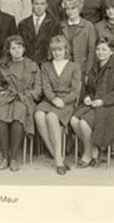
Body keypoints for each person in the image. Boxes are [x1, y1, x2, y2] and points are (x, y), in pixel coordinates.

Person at [70, 37, 114, 167]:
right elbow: (90, 87)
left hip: (112, 105)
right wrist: (87, 96)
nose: (100, 52)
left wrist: (103, 101)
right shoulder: (95, 67)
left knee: (84, 122)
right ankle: (93, 149)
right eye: (98, 49)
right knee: (74, 120)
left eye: (104, 49)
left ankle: (87, 154)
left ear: (111, 51)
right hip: (95, 102)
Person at [0, 35, 42, 172]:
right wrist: (0, 92)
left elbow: (38, 89)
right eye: (13, 48)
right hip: (7, 97)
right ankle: (5, 157)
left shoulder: (32, 66)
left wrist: (26, 95)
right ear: (8, 51)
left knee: (19, 114)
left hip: (24, 98)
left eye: (19, 47)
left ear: (24, 49)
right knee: (0, 114)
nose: (16, 50)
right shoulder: (3, 66)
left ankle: (14, 158)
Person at [34, 35, 81, 175]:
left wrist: (64, 101)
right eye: (54, 50)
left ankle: (59, 163)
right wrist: (53, 99)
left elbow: (75, 90)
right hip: (50, 100)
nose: (57, 53)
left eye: (60, 50)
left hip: (66, 102)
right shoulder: (45, 66)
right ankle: (57, 155)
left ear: (66, 50)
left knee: (52, 117)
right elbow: (46, 86)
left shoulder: (74, 66)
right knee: (39, 114)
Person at [60, 0, 97, 80]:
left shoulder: (88, 26)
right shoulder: (61, 26)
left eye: (73, 8)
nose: (70, 12)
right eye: (67, 9)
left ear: (79, 9)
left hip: (81, 70)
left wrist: (88, 71)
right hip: (63, 69)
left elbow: (91, 51)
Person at [18, 0, 61, 66]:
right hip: (27, 64)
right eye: (36, 4)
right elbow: (20, 45)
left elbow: (55, 46)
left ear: (46, 5)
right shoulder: (23, 24)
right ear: (32, 5)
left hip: (46, 64)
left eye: (42, 4)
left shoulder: (54, 24)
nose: (39, 7)